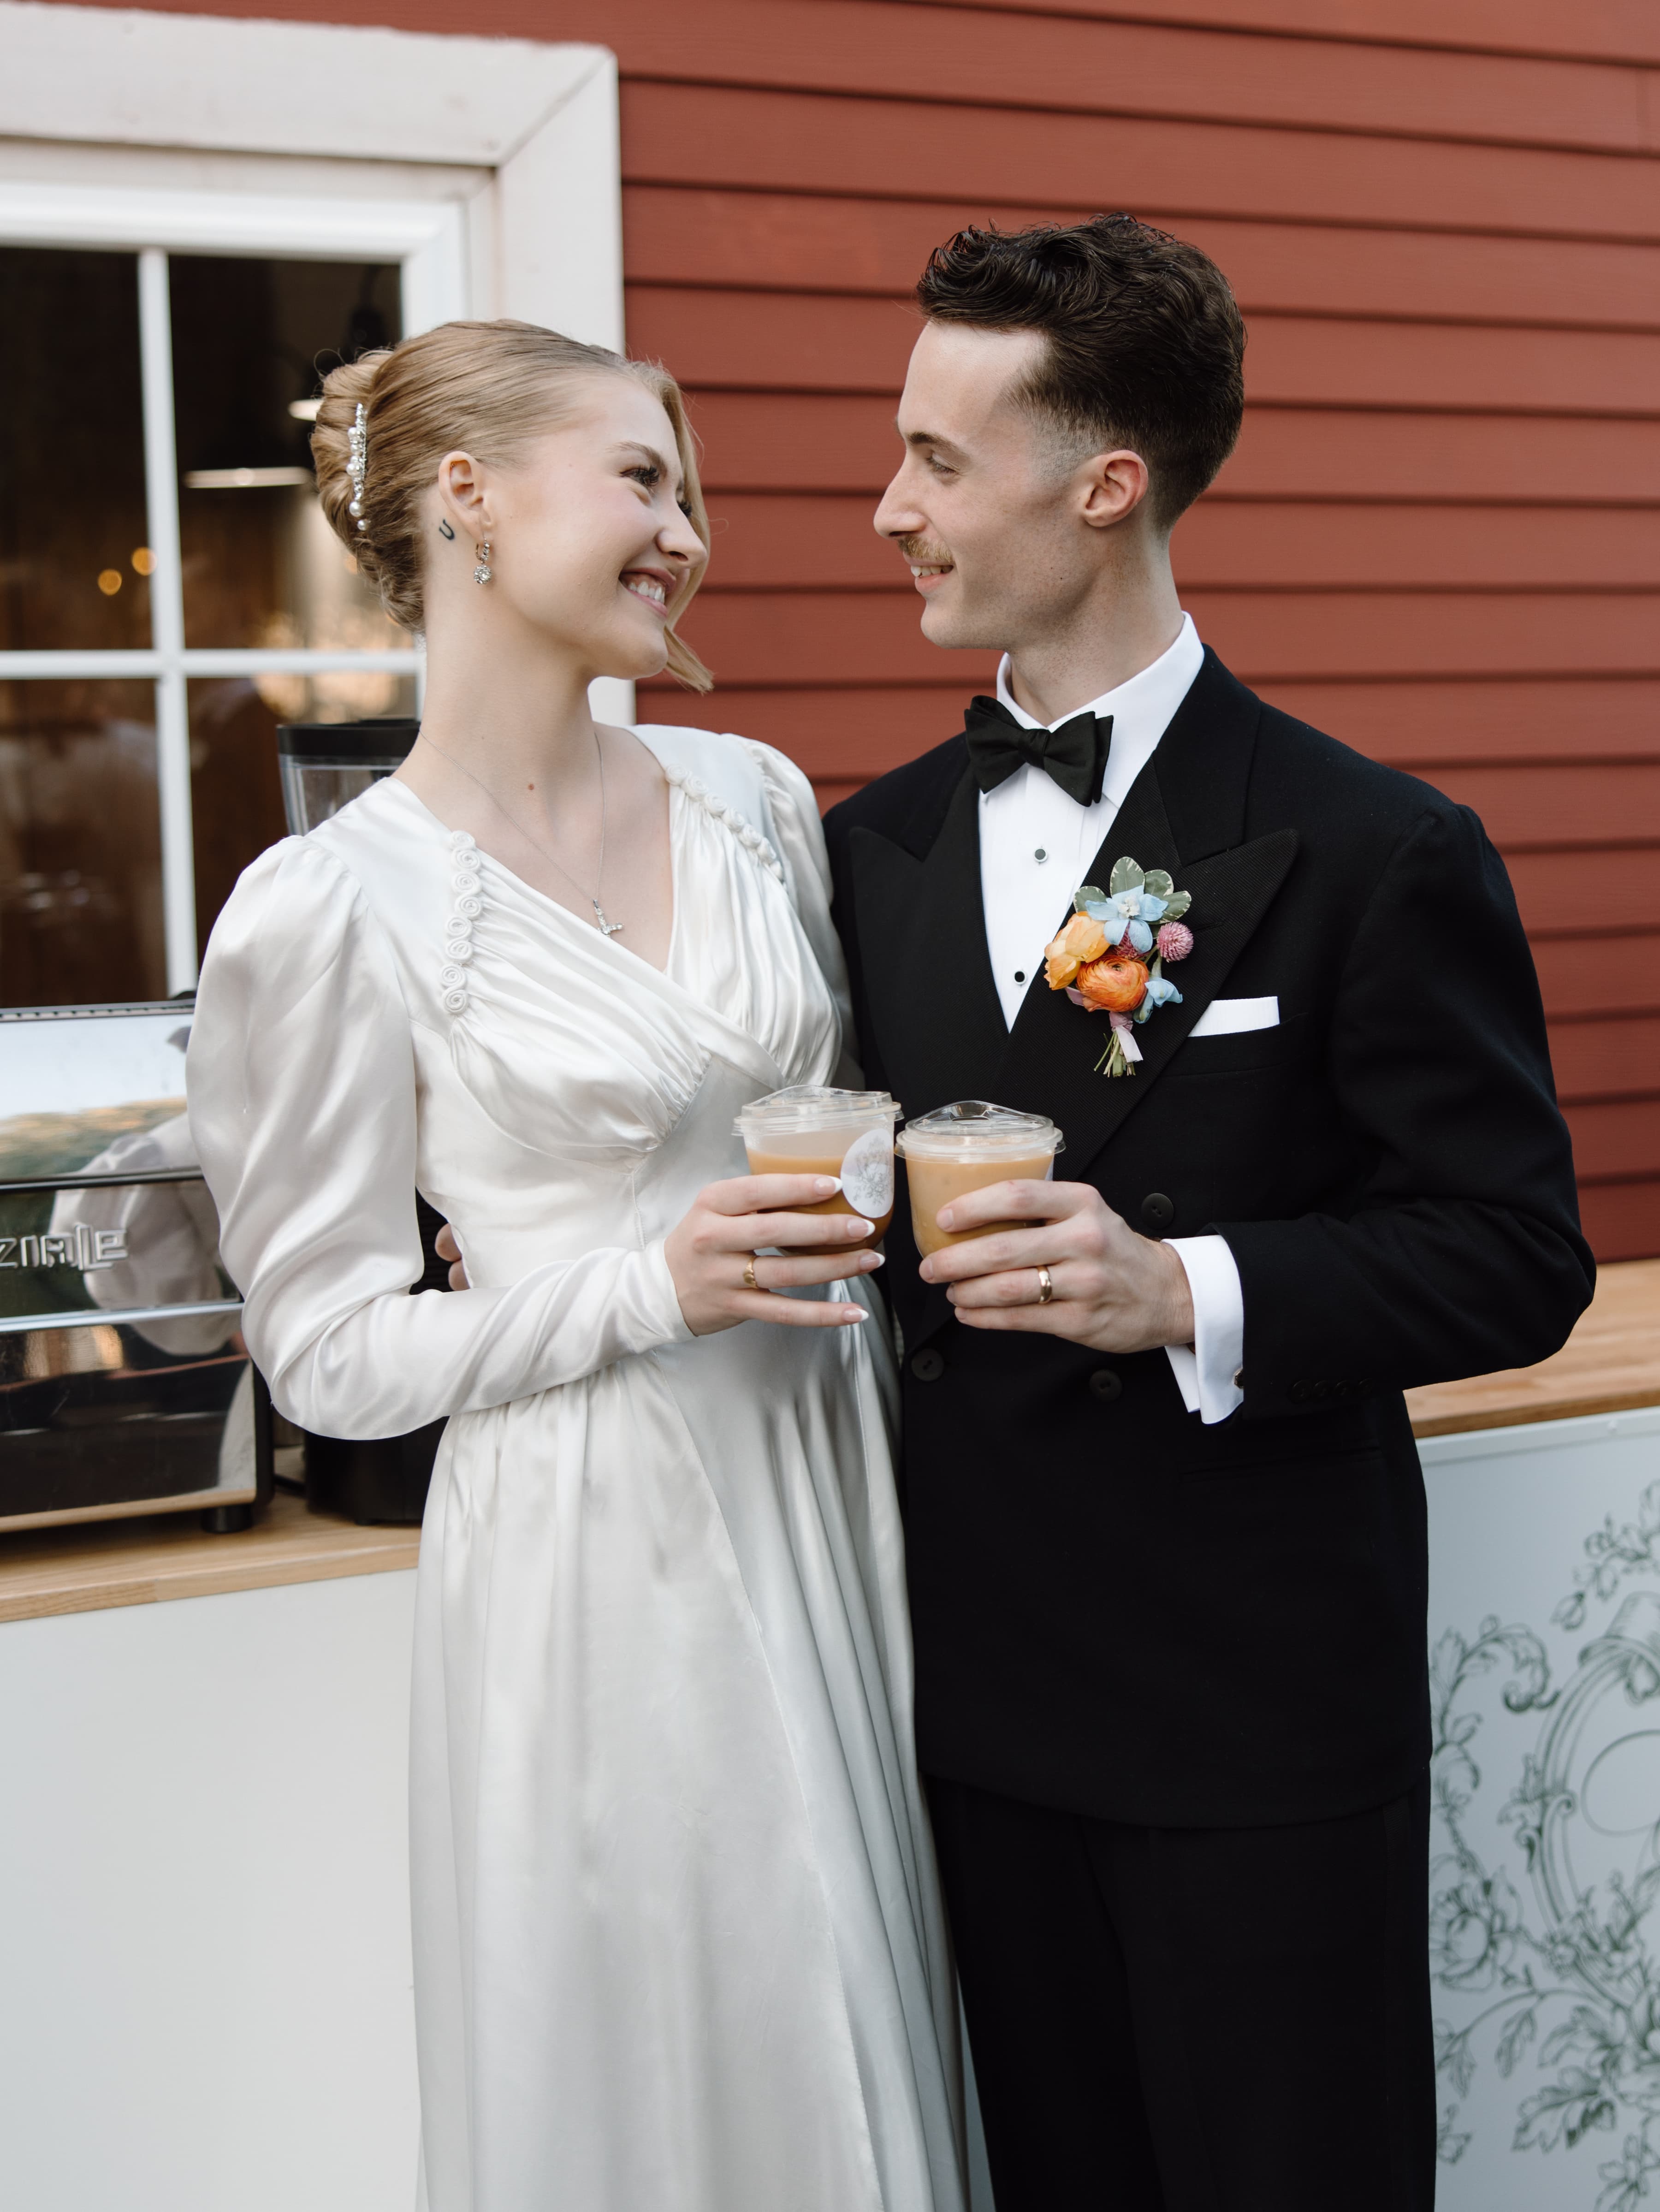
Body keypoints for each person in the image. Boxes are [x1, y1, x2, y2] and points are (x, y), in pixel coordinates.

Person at [821, 217, 1595, 2211]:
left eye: (938, 459)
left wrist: (1185, 1287)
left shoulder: (1373, 845)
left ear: (1105, 487)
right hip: (973, 1699)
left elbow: (1517, 1253)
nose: (890, 506)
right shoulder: (866, 848)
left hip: (1255, 1716)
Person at [186, 320, 966, 2212]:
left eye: (686, 493)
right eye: (640, 479)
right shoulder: (327, 905)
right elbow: (325, 1353)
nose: (684, 534)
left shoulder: (752, 797)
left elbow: (838, 1111)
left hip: (836, 1465)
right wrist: (640, 1285)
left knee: (875, 1996)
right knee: (695, 2027)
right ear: (469, 497)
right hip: (600, 1536)